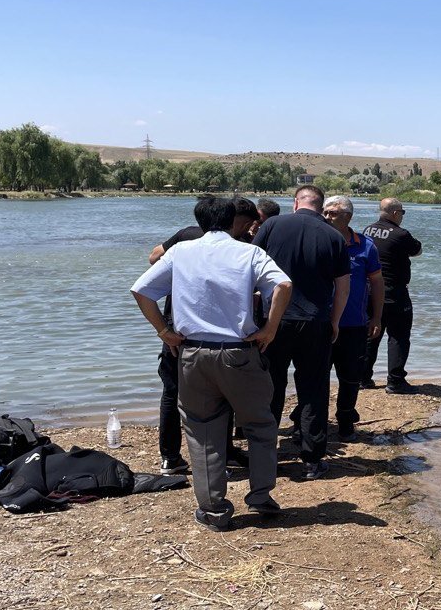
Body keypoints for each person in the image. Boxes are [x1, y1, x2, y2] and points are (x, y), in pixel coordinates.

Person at [130, 197, 293, 531]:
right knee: (260, 426)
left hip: (192, 354)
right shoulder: (249, 252)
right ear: (234, 221)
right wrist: (270, 329)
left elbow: (141, 291)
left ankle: (214, 509)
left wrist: (165, 331)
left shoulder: (180, 251)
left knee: (203, 431)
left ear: (199, 220)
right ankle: (261, 496)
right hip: (239, 353)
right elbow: (284, 285)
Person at [147, 195, 251, 475]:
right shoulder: (237, 248)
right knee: (220, 394)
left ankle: (170, 457)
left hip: (175, 326)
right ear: (235, 221)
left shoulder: (185, 238)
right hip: (212, 333)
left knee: (172, 391)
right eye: (248, 226)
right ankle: (223, 453)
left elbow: (153, 257)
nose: (249, 232)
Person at [252, 185, 350, 479]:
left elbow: (250, 269)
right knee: (313, 390)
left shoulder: (271, 225)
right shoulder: (335, 236)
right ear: (320, 207)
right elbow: (343, 287)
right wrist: (335, 322)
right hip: (315, 321)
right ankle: (312, 459)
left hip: (275, 321)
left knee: (270, 386)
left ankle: (265, 454)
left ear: (296, 203)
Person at [320, 195, 384, 442]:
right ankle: (314, 422)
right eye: (325, 212)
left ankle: (345, 420)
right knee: (316, 376)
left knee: (350, 377)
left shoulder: (365, 246)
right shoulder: (319, 242)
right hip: (322, 324)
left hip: (354, 325)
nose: (326, 216)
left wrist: (377, 316)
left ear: (347, 216)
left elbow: (378, 283)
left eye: (332, 213)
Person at [361, 198, 422, 394]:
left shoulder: (367, 230)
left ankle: (363, 378)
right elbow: (417, 250)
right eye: (402, 213)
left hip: (369, 291)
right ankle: (395, 381)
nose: (402, 216)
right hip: (394, 292)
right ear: (395, 213)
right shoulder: (400, 234)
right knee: (399, 336)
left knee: (371, 334)